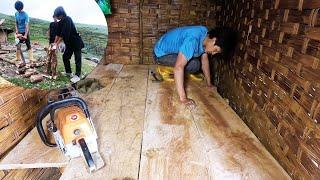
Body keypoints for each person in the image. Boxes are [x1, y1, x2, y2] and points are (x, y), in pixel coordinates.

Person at [153, 26, 237, 108]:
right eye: (216, 50)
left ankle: (175, 70)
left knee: (196, 64)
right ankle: (165, 68)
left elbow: (204, 60)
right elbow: (178, 67)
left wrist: (209, 84)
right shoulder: (192, 40)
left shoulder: (205, 35)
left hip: (172, 52)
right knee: (194, 65)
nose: (214, 53)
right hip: (160, 55)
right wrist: (183, 99)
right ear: (214, 40)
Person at [52, 6, 84, 83]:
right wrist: (54, 43)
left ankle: (77, 75)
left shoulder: (67, 19)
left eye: (57, 15)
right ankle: (68, 72)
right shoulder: (60, 22)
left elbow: (64, 34)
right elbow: (58, 34)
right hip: (69, 44)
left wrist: (57, 44)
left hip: (76, 42)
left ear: (61, 14)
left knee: (77, 59)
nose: (57, 17)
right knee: (65, 57)